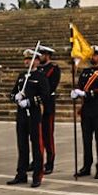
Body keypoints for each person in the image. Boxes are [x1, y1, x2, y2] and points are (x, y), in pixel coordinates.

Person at [8, 48, 48, 187]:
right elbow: (12, 94)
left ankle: (37, 175)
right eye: (25, 59)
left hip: (34, 115)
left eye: (29, 59)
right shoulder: (21, 76)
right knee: (22, 145)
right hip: (21, 115)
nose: (26, 61)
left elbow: (45, 96)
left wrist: (29, 102)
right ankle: (21, 174)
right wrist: (16, 97)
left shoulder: (41, 76)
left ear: (37, 61)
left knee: (36, 145)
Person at [74, 46, 98, 179]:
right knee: (86, 140)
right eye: (91, 55)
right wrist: (76, 92)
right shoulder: (85, 72)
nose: (92, 57)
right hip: (86, 110)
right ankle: (86, 166)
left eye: (95, 55)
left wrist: (85, 93)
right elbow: (80, 86)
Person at [38, 46, 62, 174]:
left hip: (47, 106)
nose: (39, 56)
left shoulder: (54, 69)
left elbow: (51, 86)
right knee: (37, 136)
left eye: (42, 54)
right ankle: (38, 160)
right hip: (36, 106)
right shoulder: (36, 68)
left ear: (48, 55)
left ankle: (50, 162)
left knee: (48, 135)